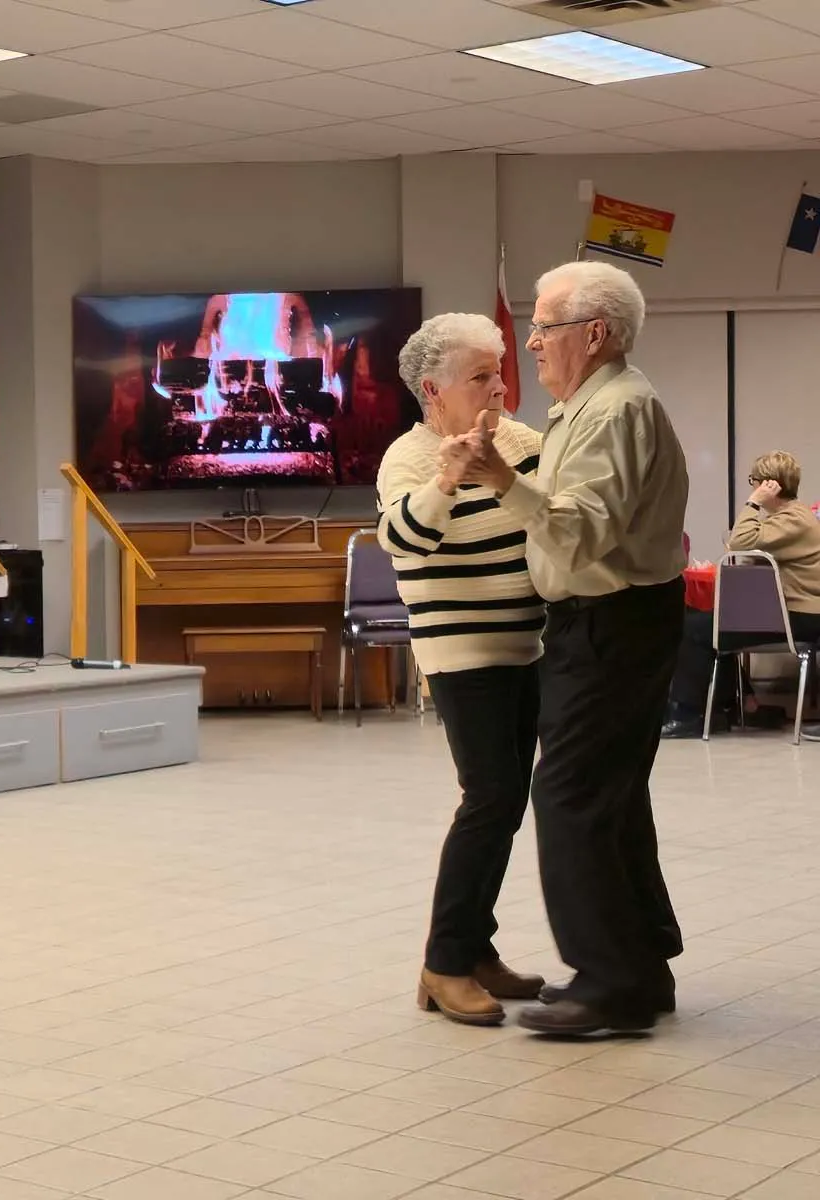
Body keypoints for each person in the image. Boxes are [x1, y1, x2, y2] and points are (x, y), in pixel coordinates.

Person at [443, 260, 689, 1035]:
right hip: (617, 620)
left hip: (610, 620)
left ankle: (609, 981)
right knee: (609, 795)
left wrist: (497, 481)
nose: (534, 345)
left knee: (570, 795)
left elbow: (582, 534)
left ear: (593, 333)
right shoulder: (595, 405)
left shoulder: (613, 410)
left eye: (544, 328)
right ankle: (640, 965)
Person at [377, 313, 547, 1026]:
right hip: (463, 656)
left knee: (505, 803)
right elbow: (405, 543)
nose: (499, 387)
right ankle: (442, 965)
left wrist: (502, 473)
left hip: (528, 648)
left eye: (500, 371)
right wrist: (450, 475)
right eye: (481, 376)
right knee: (489, 797)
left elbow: (552, 519)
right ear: (433, 390)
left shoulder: (524, 443)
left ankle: (475, 950)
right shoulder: (408, 458)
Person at [663, 452, 820, 739]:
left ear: (769, 485)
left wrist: (753, 503)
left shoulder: (792, 520)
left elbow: (740, 541)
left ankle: (688, 715)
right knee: (705, 623)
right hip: (797, 612)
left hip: (803, 615)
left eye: (755, 482)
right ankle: (727, 709)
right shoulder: (791, 517)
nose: (752, 487)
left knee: (694, 629)